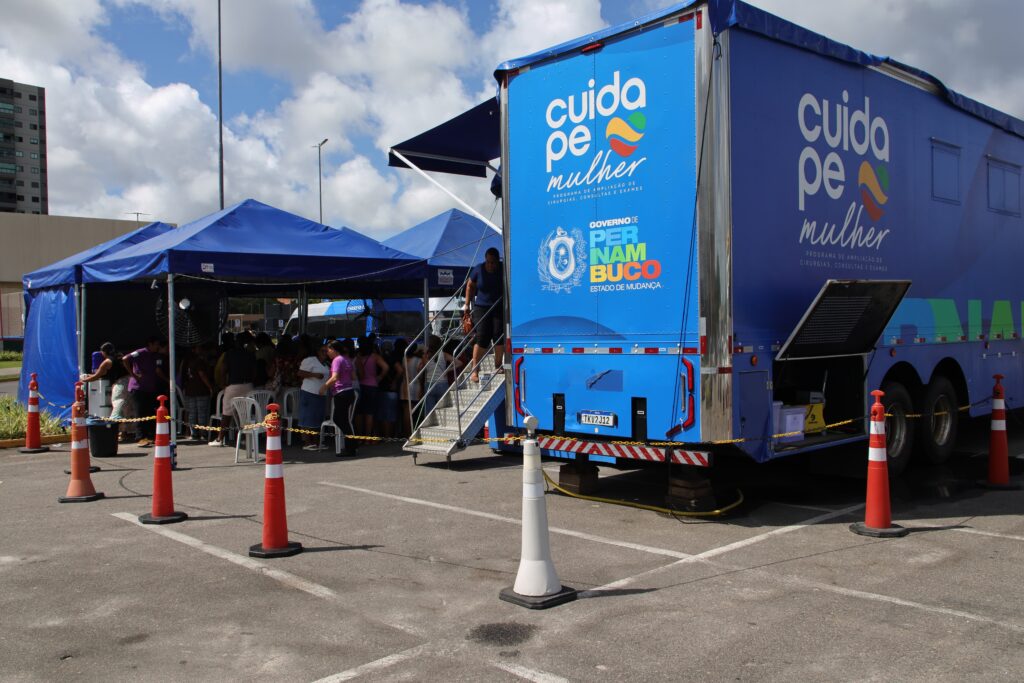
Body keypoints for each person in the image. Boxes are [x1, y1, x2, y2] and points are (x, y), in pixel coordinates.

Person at [463, 246, 505, 382]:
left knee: (498, 336)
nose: (491, 265)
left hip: (498, 306)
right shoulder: (478, 269)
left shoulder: (503, 268)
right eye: (488, 262)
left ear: (498, 261)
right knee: (482, 337)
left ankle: (498, 365)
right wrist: (466, 305)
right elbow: (470, 285)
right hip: (481, 307)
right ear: (485, 260)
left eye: (493, 262)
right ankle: (475, 369)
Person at [81, 342, 136, 443]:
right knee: (128, 408)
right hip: (130, 382)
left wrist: (84, 380)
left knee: (118, 406)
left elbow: (97, 375)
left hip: (120, 384)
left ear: (103, 352)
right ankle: (127, 432)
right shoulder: (120, 356)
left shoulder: (107, 361)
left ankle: (111, 430)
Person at [209, 334, 257, 446]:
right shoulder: (250, 354)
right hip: (248, 385)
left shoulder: (229, 354)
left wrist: (223, 384)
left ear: (236, 342)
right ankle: (245, 438)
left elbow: (223, 369)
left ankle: (220, 439)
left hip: (234, 385)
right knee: (244, 413)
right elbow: (254, 371)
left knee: (226, 413)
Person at [123, 335, 164, 446]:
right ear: (150, 344)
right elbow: (125, 359)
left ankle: (149, 436)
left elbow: (158, 369)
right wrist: (133, 374)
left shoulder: (156, 355)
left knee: (149, 412)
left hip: (150, 388)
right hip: (138, 388)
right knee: (140, 412)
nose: (158, 346)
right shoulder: (140, 352)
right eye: (156, 344)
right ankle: (140, 437)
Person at [320, 339, 357, 456]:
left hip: (341, 393)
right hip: (349, 391)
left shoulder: (336, 360)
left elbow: (335, 377)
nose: (327, 353)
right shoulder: (347, 359)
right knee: (344, 420)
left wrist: (324, 387)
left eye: (328, 350)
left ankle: (351, 446)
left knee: (339, 419)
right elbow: (353, 377)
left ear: (334, 350)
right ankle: (352, 445)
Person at [297, 341, 330, 450]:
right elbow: (300, 373)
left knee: (317, 419)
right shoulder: (310, 360)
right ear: (317, 351)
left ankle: (316, 442)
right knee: (307, 418)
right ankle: (307, 443)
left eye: (326, 351)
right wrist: (314, 375)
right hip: (309, 393)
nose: (325, 353)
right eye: (322, 351)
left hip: (321, 394)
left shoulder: (326, 363)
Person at [354, 336, 389, 437]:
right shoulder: (374, 356)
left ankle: (359, 436)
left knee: (359, 412)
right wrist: (379, 377)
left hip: (360, 385)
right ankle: (368, 437)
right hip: (372, 386)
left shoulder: (357, 356)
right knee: (370, 413)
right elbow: (386, 367)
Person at [179, 344, 214, 439]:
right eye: (199, 348)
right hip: (201, 390)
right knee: (202, 413)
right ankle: (203, 433)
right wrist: (210, 387)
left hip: (189, 390)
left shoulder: (186, 361)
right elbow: (202, 374)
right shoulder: (199, 361)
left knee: (192, 413)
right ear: (194, 349)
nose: (202, 349)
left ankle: (193, 432)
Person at [420, 335, 459, 416]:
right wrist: (448, 370)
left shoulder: (425, 356)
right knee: (443, 410)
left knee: (429, 412)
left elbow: (419, 369)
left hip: (429, 384)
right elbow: (459, 363)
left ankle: (429, 423)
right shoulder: (444, 354)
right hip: (442, 383)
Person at [376, 339, 405, 439]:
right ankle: (389, 437)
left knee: (382, 415)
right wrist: (395, 382)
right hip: (391, 390)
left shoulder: (379, 358)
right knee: (390, 415)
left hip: (381, 388)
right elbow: (400, 370)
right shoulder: (393, 358)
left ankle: (385, 436)